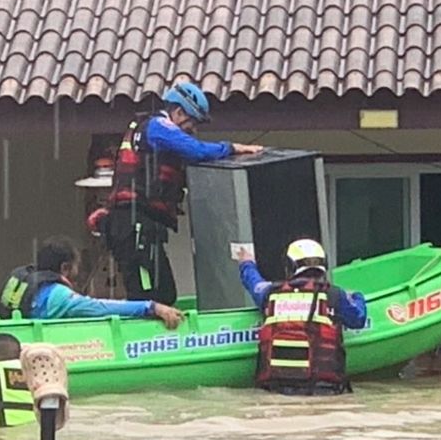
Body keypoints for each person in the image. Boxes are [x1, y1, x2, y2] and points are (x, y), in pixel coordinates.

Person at [101, 81, 263, 305]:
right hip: (133, 225)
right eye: (192, 122)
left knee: (161, 293)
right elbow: (195, 150)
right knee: (151, 296)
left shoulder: (154, 134)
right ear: (177, 112)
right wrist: (231, 148)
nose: (193, 130)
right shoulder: (157, 126)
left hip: (139, 226)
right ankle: (148, 339)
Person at [236, 238, 367, 395]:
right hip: (323, 390)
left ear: (290, 266)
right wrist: (357, 296)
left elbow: (253, 282)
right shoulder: (335, 296)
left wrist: (246, 263)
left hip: (276, 390)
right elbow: (358, 318)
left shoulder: (270, 294)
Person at [0, 235, 184, 329]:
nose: (79, 271)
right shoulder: (58, 296)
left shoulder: (21, 279)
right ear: (65, 268)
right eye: (76, 266)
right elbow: (100, 308)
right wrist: (150, 307)